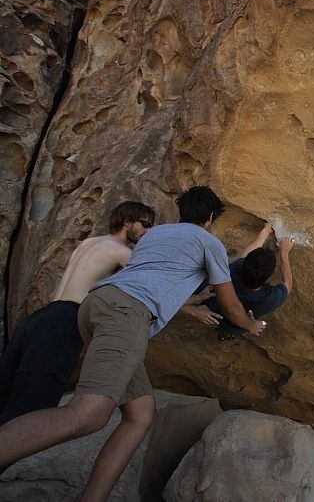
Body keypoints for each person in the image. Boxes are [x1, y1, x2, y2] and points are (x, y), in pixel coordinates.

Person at [0, 186, 265, 501]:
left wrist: (190, 301)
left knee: (140, 414)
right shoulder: (209, 242)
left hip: (98, 305)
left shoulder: (156, 236)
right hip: (126, 314)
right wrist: (250, 324)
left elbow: (152, 276)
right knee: (87, 415)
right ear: (210, 217)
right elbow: (231, 304)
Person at [0, 201, 155, 427]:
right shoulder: (121, 251)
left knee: (6, 391)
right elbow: (149, 282)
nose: (148, 231)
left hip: (39, 318)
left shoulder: (89, 243)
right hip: (64, 322)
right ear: (127, 222)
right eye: (146, 224)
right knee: (32, 404)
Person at [181, 222, 294, 341]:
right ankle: (227, 334)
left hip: (210, 307)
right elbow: (288, 284)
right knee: (235, 326)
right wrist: (284, 253)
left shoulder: (233, 271)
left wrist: (265, 231)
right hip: (235, 325)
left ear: (244, 264)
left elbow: (247, 252)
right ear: (269, 276)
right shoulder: (269, 298)